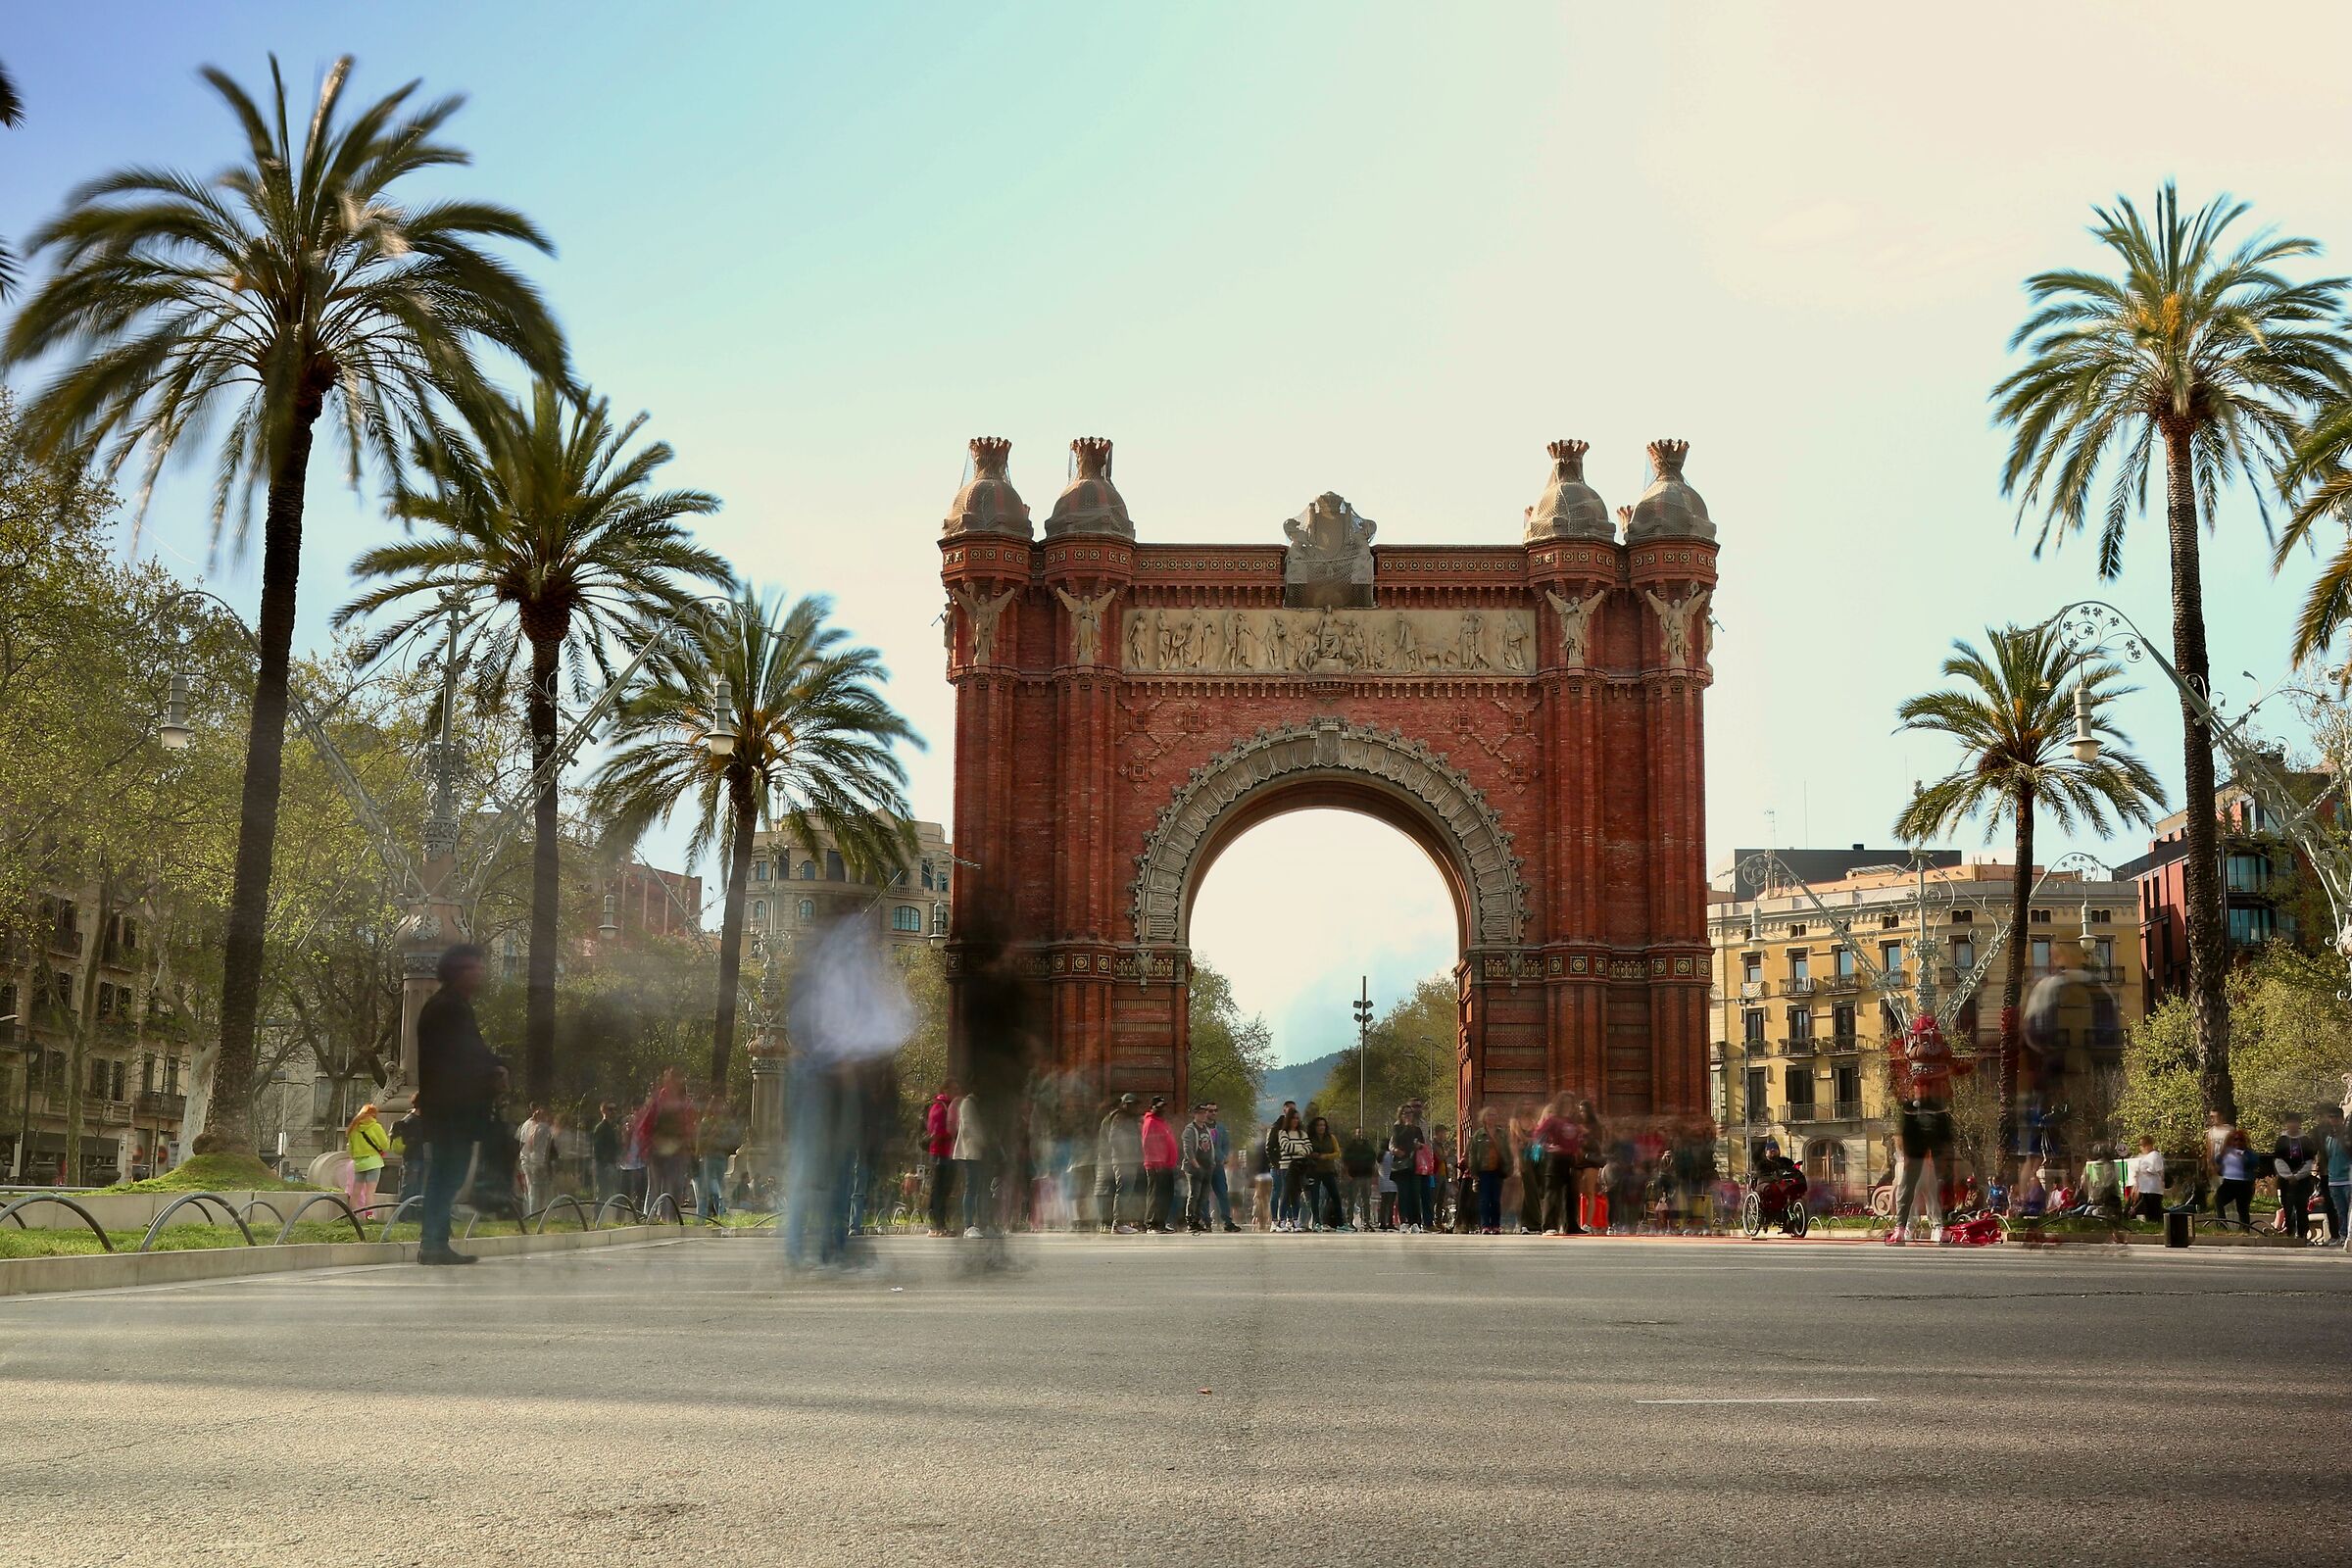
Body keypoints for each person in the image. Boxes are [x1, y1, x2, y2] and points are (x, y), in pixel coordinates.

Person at [414, 944, 505, 1266]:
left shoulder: (450, 1006)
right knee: (446, 1174)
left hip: (449, 1108)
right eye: (474, 967)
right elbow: (465, 1056)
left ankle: (436, 1241)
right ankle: (433, 1242)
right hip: (451, 1110)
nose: (480, 972)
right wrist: (495, 1069)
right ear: (457, 972)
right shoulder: (448, 1008)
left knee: (447, 1173)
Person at [634, 1070, 697, 1216]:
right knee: (660, 1187)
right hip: (661, 1150)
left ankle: (660, 1218)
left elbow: (689, 1125)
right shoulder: (663, 1101)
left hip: (671, 1150)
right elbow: (646, 1125)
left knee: (665, 1187)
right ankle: (654, 1217)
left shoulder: (673, 1101)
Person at [1532, 1098, 1584, 1236]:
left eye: (1571, 1104)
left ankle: (1571, 1225)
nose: (1570, 1107)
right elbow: (1537, 1133)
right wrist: (1546, 1146)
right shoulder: (1553, 1120)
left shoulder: (1572, 1122)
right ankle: (1549, 1226)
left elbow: (1575, 1141)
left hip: (1570, 1159)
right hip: (1555, 1160)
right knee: (1553, 1193)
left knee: (1571, 1195)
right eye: (1567, 1104)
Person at [1096, 1094, 1143, 1233]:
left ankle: (1114, 1223)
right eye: (1130, 1104)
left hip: (1122, 1160)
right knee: (1124, 1191)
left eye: (1134, 1104)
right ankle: (1118, 1223)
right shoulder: (1119, 1118)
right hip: (1124, 1161)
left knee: (1120, 1191)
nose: (1133, 1107)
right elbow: (1115, 1139)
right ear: (1123, 1105)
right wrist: (1127, 1155)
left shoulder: (1122, 1118)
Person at [2272, 1112, 2319, 1243]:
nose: (2293, 1125)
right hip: (2285, 1181)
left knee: (2301, 1207)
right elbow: (2278, 1160)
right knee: (2287, 1207)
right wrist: (2288, 1176)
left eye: (2295, 1122)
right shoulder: (2282, 1140)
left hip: (2302, 1181)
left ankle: (2302, 1234)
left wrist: (2297, 1176)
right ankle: (2289, 1233)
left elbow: (2309, 1161)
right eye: (2290, 1122)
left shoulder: (2305, 1141)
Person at [1465, 1106, 1510, 1235]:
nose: (1492, 1117)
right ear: (1484, 1118)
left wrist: (1508, 1168)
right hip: (1483, 1171)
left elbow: (1508, 1152)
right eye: (1489, 1115)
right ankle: (1485, 1225)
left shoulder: (1502, 1134)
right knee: (1484, 1199)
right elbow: (1472, 1154)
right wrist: (1473, 1171)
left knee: (1495, 1200)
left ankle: (1495, 1225)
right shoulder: (1478, 1135)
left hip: (1498, 1170)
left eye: (1494, 1115)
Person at [1140, 1096, 1181, 1233]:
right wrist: (1155, 1162)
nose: (1162, 1109)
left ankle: (1161, 1222)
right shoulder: (1150, 1122)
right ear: (1152, 1107)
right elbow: (1147, 1144)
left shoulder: (1162, 1122)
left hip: (1167, 1165)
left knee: (1166, 1195)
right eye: (1159, 1107)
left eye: (1164, 1106)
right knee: (1155, 1195)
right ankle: (1151, 1223)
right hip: (1156, 1166)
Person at [1388, 1102, 1429, 1234]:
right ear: (1401, 1115)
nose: (1409, 1116)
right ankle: (1404, 1221)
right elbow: (1396, 1142)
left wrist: (1419, 1145)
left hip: (1414, 1165)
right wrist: (1406, 1128)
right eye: (1405, 1113)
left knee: (1415, 1194)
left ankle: (1415, 1222)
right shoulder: (1397, 1128)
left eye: (1410, 1113)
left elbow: (1422, 1143)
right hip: (1401, 1166)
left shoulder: (1417, 1129)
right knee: (1403, 1194)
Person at [697, 1096, 740, 1221]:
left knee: (720, 1188)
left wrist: (721, 1138)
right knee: (706, 1188)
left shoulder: (725, 1124)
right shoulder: (705, 1122)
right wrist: (711, 1135)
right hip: (708, 1156)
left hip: (721, 1157)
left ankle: (721, 1215)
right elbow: (700, 1142)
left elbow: (730, 1142)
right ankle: (702, 1218)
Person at [923, 1088, 958, 1237]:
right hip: (939, 1153)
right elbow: (936, 1132)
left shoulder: (949, 1106)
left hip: (947, 1153)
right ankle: (936, 1225)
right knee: (938, 1189)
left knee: (944, 1190)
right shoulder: (939, 1106)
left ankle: (941, 1224)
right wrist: (952, 1133)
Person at [1271, 1104, 1310, 1231]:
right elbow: (1286, 1146)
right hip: (1286, 1167)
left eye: (1297, 1118)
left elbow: (1309, 1147)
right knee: (1286, 1193)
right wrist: (1301, 1149)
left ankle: (1295, 1220)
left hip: (1299, 1167)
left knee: (1296, 1195)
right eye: (1293, 1118)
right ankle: (1281, 1220)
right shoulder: (1282, 1132)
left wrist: (1299, 1151)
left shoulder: (1302, 1133)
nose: (1295, 1120)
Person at [953, 1087, 986, 1236]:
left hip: (980, 1152)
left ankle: (983, 1223)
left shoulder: (978, 1103)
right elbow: (970, 1128)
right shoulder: (968, 1103)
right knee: (971, 1187)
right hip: (970, 1151)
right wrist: (985, 1141)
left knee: (980, 1188)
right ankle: (968, 1225)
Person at [345, 1103, 391, 1211]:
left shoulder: (353, 1128)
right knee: (370, 1192)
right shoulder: (376, 1127)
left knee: (355, 1192)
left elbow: (350, 1149)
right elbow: (385, 1146)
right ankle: (369, 1218)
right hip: (374, 1162)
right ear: (374, 1114)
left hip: (359, 1164)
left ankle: (352, 1216)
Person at [1301, 1114, 1343, 1230]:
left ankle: (1340, 1223)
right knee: (1315, 1197)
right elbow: (1305, 1152)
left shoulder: (1331, 1138)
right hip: (1314, 1170)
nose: (1321, 1127)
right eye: (1319, 1125)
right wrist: (1311, 1155)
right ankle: (1317, 1222)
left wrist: (1325, 1156)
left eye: (1323, 1125)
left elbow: (1337, 1153)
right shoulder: (1309, 1138)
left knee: (1335, 1196)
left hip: (1328, 1170)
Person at [516, 1103, 557, 1217]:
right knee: (541, 1191)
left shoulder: (525, 1124)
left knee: (530, 1190)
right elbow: (547, 1147)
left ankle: (531, 1214)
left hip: (526, 1160)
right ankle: (538, 1215)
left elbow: (521, 1143)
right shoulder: (543, 1127)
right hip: (538, 1161)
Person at [2213, 1127, 2256, 1231]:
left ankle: (2245, 1229)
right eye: (2235, 1139)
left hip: (2244, 1184)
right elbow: (2217, 1159)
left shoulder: (2249, 1154)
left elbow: (2254, 1162)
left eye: (2240, 1139)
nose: (2238, 1142)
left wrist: (2243, 1158)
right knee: (2218, 1200)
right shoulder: (2227, 1153)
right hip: (2229, 1183)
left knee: (2242, 1209)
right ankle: (2222, 1225)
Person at [2321, 1103, 2352, 1246]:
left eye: (2336, 1117)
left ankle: (2348, 1237)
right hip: (2334, 1179)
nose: (2333, 1120)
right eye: (2331, 1117)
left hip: (2348, 1179)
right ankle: (2343, 1235)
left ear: (2341, 1119)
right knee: (2340, 1211)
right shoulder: (2328, 1137)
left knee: (2350, 1210)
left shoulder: (2348, 1136)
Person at [1341, 1125, 1380, 1232]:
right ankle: (1349, 1222)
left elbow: (1373, 1159)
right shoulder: (1350, 1147)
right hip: (1354, 1176)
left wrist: (1373, 1172)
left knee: (1366, 1200)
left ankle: (1366, 1222)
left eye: (1362, 1133)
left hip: (1366, 1176)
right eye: (1359, 1133)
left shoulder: (1368, 1147)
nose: (1361, 1135)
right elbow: (1345, 1160)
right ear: (1355, 1134)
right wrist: (1346, 1173)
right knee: (1351, 1200)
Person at [388, 1102, 428, 1204]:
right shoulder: (411, 1121)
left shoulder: (415, 1119)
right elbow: (418, 1138)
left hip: (418, 1157)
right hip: (412, 1157)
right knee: (409, 1187)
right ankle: (404, 1214)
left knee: (416, 1188)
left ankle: (413, 1213)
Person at [2126, 1135, 2167, 1222]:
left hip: (2153, 1188)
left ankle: (2158, 1223)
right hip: (2145, 1188)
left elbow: (2159, 1171)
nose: (2142, 1148)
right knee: (2145, 1209)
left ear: (2150, 1145)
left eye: (2144, 1145)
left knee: (2154, 1210)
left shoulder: (2155, 1155)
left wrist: (2145, 1171)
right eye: (2141, 1146)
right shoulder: (2145, 1157)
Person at [590, 1102, 622, 1205]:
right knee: (602, 1192)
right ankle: (598, 1217)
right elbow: (597, 1149)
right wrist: (606, 1164)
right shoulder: (601, 1128)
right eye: (610, 1109)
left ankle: (604, 1216)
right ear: (603, 1111)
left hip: (611, 1164)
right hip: (603, 1165)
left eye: (614, 1109)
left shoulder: (612, 1127)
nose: (613, 1112)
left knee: (609, 1192)